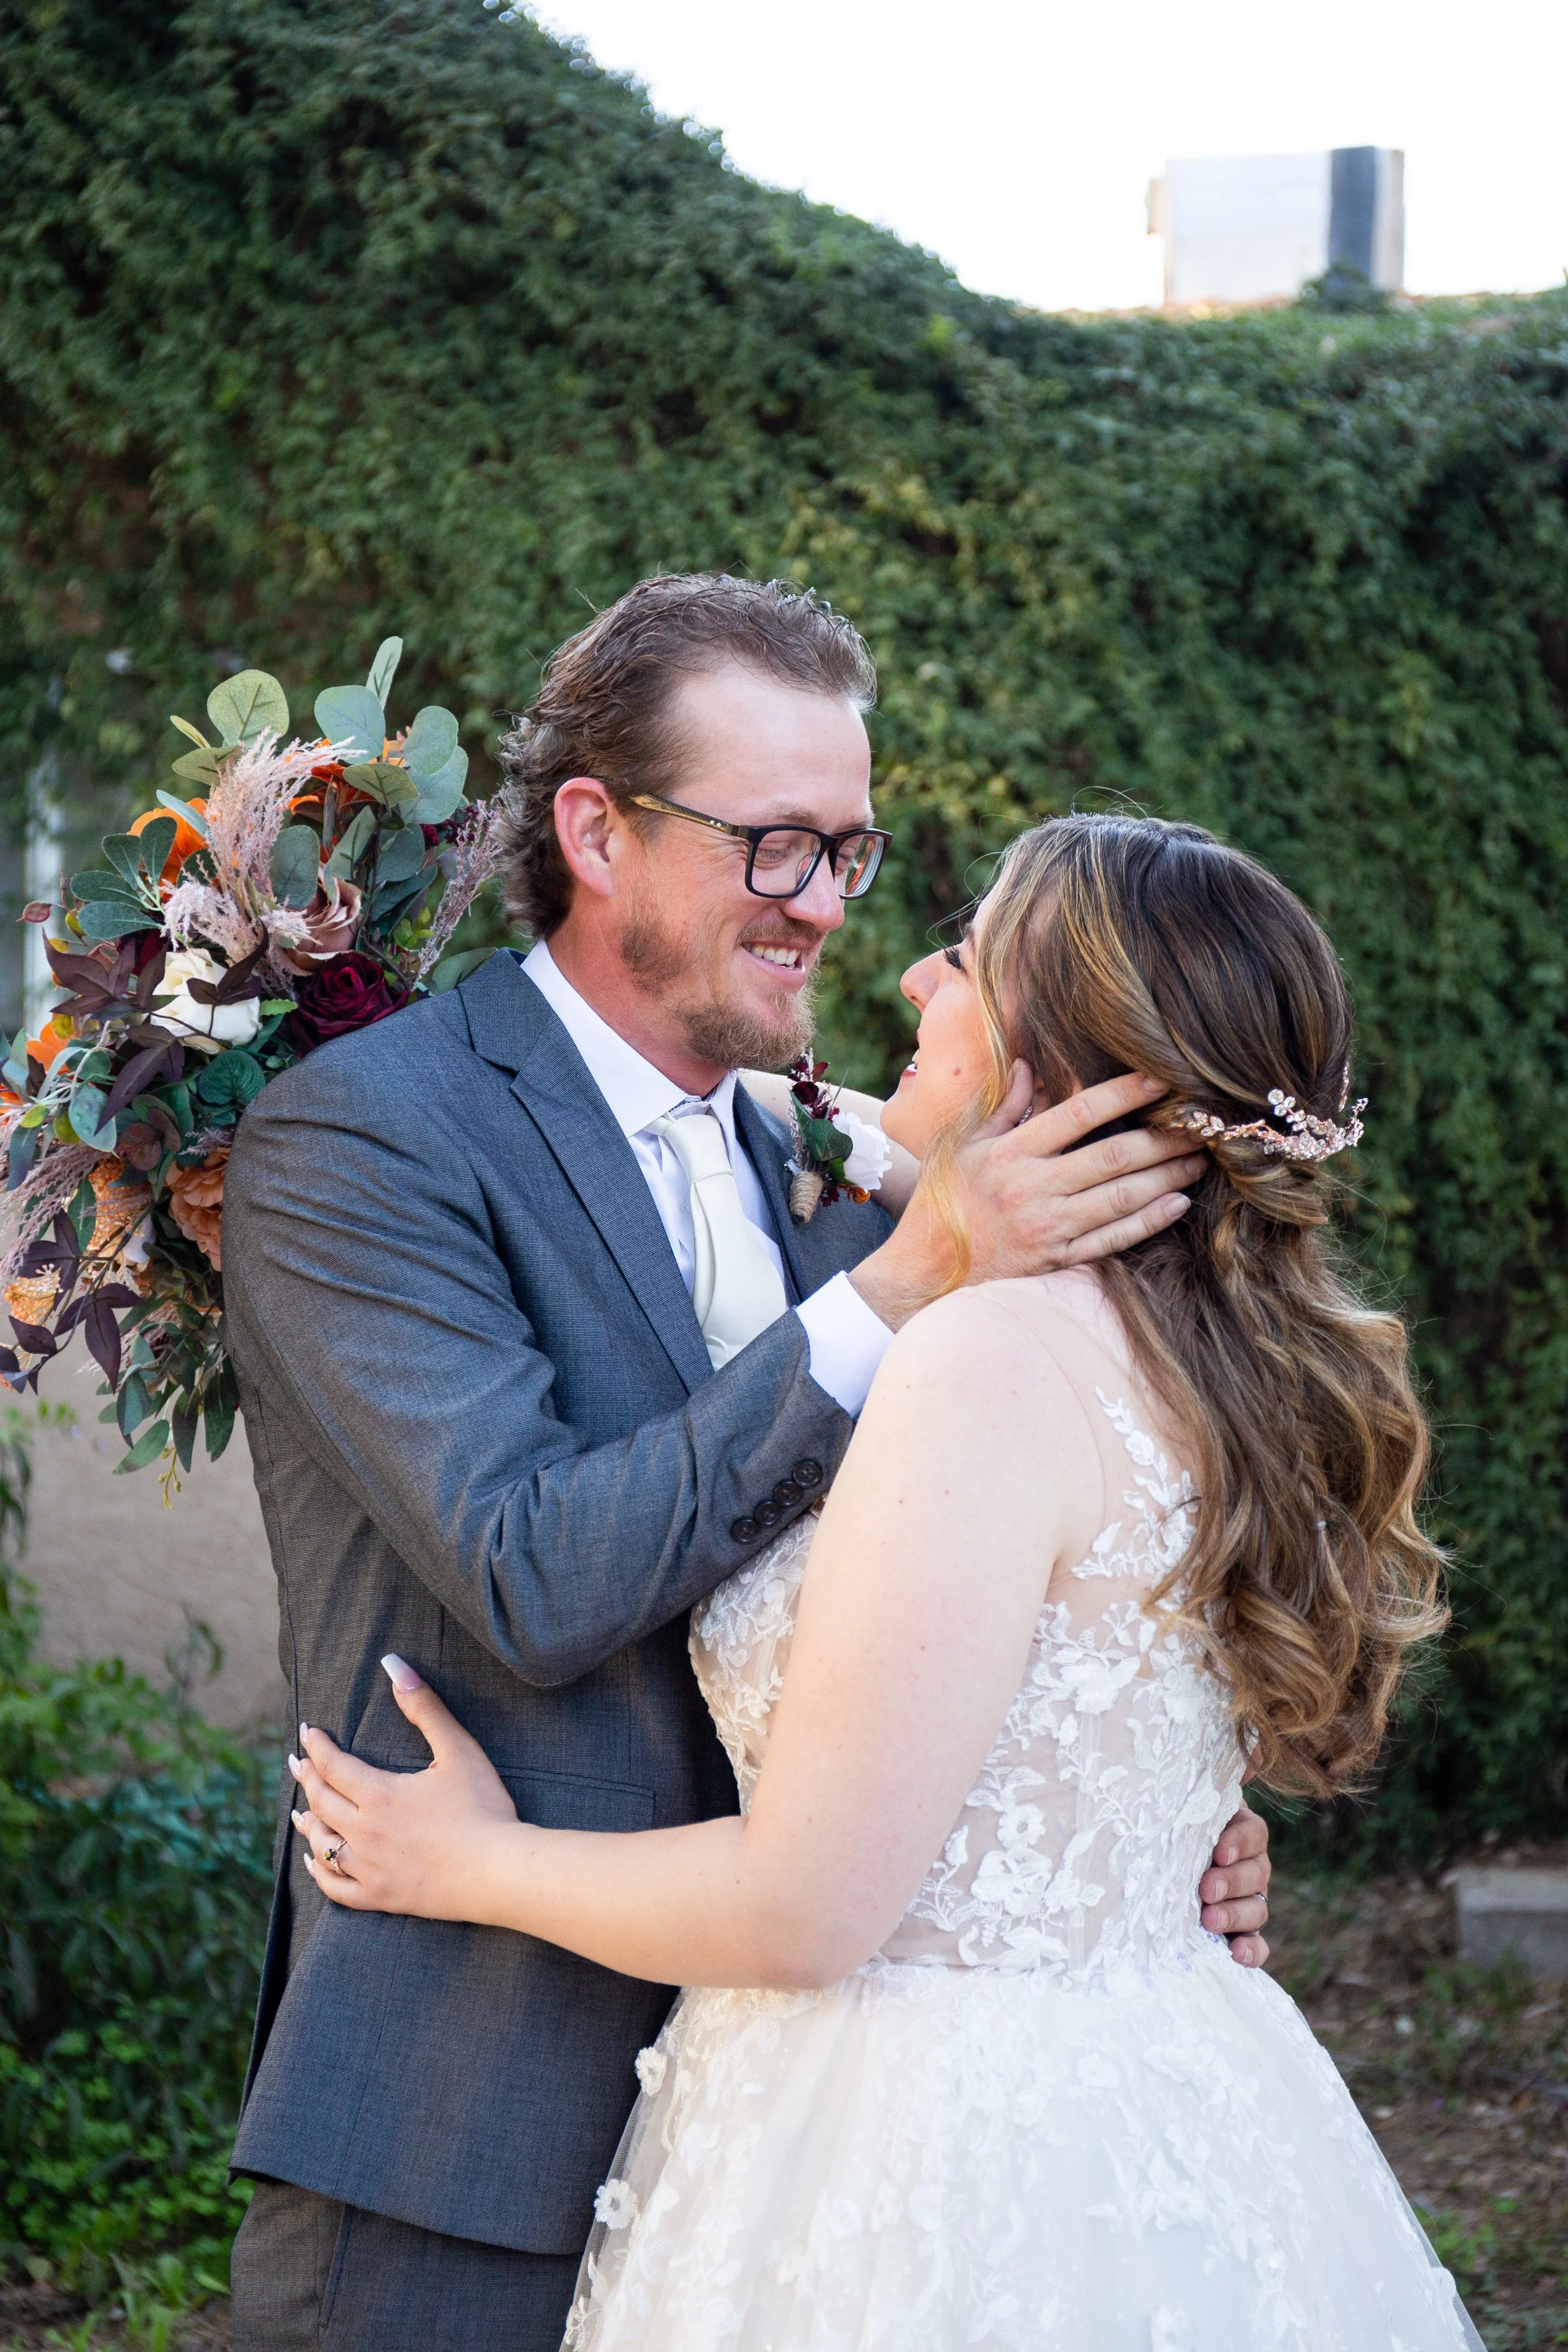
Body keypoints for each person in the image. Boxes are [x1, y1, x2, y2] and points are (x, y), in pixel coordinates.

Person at [222, 577, 1272, 2352]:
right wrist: (908, 1278)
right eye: (774, 846)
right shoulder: (366, 1140)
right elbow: (530, 1568)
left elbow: (981, 1576)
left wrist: (1138, 1826)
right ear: (596, 832)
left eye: (849, 852)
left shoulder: (839, 1150)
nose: (823, 908)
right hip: (471, 2111)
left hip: (805, 2126)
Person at [288, 810, 1483, 2351]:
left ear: (1070, 1065)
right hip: (1174, 2095)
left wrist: (461, 1862)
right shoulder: (1210, 1362)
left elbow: (804, 1909)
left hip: (920, 2149)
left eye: (968, 957)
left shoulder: (983, 1357)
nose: (913, 972)